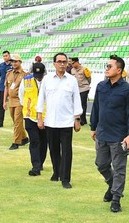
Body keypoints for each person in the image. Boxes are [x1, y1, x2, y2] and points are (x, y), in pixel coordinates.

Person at [90, 55, 129, 213]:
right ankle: (112, 185)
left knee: (119, 169)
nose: (107, 68)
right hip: (102, 133)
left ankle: (116, 198)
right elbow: (96, 107)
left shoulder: (128, 90)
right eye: (106, 66)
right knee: (101, 165)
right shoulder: (101, 86)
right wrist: (93, 126)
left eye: (110, 66)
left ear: (119, 70)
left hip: (119, 137)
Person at [37, 52, 82, 189]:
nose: (62, 64)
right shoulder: (47, 79)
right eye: (59, 61)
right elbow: (41, 99)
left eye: (64, 61)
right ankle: (56, 172)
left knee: (67, 151)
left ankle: (65, 178)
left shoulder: (72, 80)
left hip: (66, 121)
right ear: (54, 63)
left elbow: (76, 100)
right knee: (54, 149)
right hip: (51, 121)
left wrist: (77, 119)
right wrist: (39, 117)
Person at [19, 62, 47, 176]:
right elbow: (21, 96)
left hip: (45, 116)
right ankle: (35, 166)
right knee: (34, 141)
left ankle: (40, 163)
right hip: (30, 116)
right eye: (36, 75)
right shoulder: (26, 80)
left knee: (44, 142)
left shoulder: (49, 81)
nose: (38, 77)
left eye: (40, 75)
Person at [3, 54, 29, 150]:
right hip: (11, 100)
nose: (13, 63)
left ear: (20, 62)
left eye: (16, 61)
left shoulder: (25, 74)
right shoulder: (8, 73)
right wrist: (4, 101)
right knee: (15, 121)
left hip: (20, 100)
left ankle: (16, 142)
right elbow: (6, 87)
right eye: (12, 61)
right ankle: (25, 138)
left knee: (17, 121)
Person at [70, 57, 92, 125]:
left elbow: (89, 79)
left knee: (82, 104)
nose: (72, 65)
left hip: (84, 88)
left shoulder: (84, 69)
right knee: (76, 104)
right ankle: (77, 119)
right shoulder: (72, 70)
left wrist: (86, 85)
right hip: (76, 89)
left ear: (77, 62)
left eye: (73, 63)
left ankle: (83, 120)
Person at [0, 50, 12, 128]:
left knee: (14, 104)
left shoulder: (13, 65)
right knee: (2, 105)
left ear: (9, 56)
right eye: (4, 56)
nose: (5, 57)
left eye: (6, 55)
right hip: (2, 87)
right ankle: (0, 122)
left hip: (12, 88)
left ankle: (16, 121)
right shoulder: (1, 65)